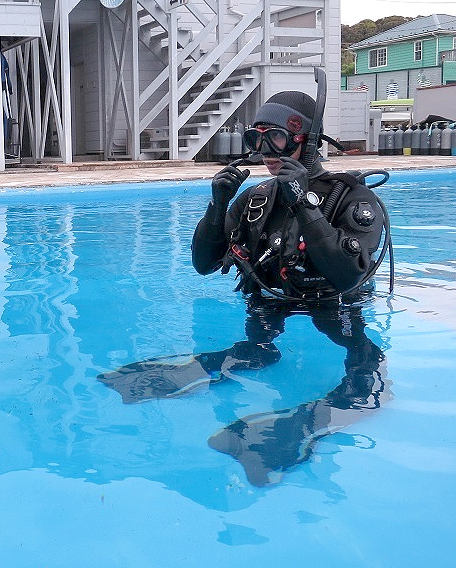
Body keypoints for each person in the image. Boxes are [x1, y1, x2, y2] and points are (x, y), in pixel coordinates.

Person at [99, 80, 392, 486]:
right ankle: (213, 367)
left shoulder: (352, 199)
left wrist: (303, 203)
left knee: (364, 362)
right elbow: (203, 264)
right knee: (258, 349)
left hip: (335, 304)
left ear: (305, 140)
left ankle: (314, 420)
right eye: (257, 138)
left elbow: (347, 275)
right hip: (270, 299)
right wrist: (218, 205)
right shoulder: (255, 200)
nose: (265, 152)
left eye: (275, 138)